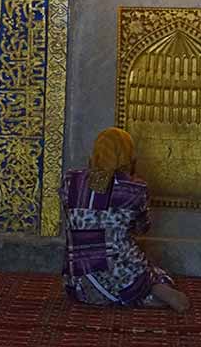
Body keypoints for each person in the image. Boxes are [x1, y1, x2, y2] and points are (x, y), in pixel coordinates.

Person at [61, 127, 189, 313]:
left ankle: (137, 296)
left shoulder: (70, 180)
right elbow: (141, 228)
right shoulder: (135, 189)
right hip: (126, 278)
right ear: (129, 158)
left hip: (78, 285)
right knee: (157, 273)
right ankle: (152, 290)